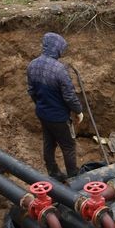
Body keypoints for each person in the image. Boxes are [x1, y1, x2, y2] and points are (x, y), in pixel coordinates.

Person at [26, 32, 84, 180]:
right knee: (68, 146)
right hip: (58, 117)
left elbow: (32, 91)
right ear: (56, 48)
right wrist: (78, 111)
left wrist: (41, 105)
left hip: (43, 114)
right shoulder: (59, 70)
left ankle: (53, 172)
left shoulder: (32, 65)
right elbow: (69, 96)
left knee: (49, 143)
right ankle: (73, 178)